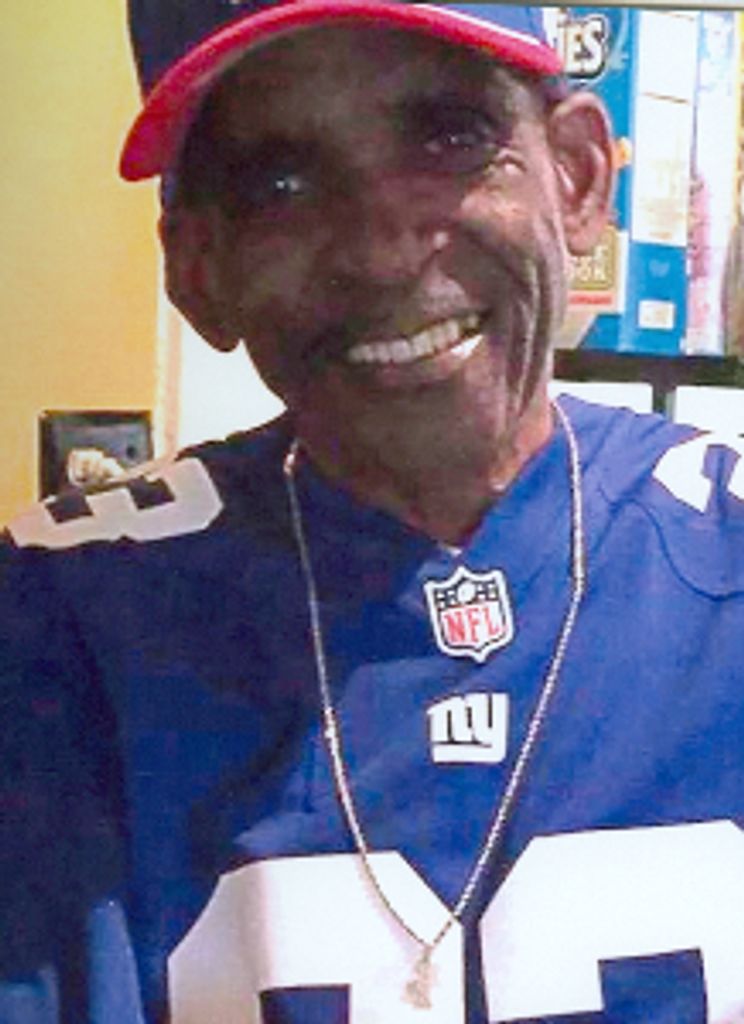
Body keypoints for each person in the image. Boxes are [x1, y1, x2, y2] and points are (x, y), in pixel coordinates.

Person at [2, 2, 744, 1021]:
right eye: (280, 182)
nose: (385, 251)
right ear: (197, 269)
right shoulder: (63, 623)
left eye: (448, 137)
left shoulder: (722, 561)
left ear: (576, 178)